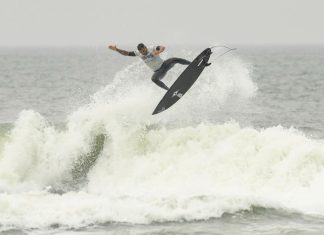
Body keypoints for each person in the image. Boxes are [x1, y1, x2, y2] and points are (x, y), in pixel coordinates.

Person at [108, 43, 191, 91]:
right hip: (158, 72)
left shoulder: (152, 48)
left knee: (174, 59)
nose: (143, 52)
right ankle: (169, 91)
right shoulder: (138, 53)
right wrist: (117, 49)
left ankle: (192, 64)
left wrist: (158, 51)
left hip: (164, 65)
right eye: (141, 51)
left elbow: (162, 47)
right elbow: (126, 53)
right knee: (154, 79)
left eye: (144, 50)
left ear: (145, 47)